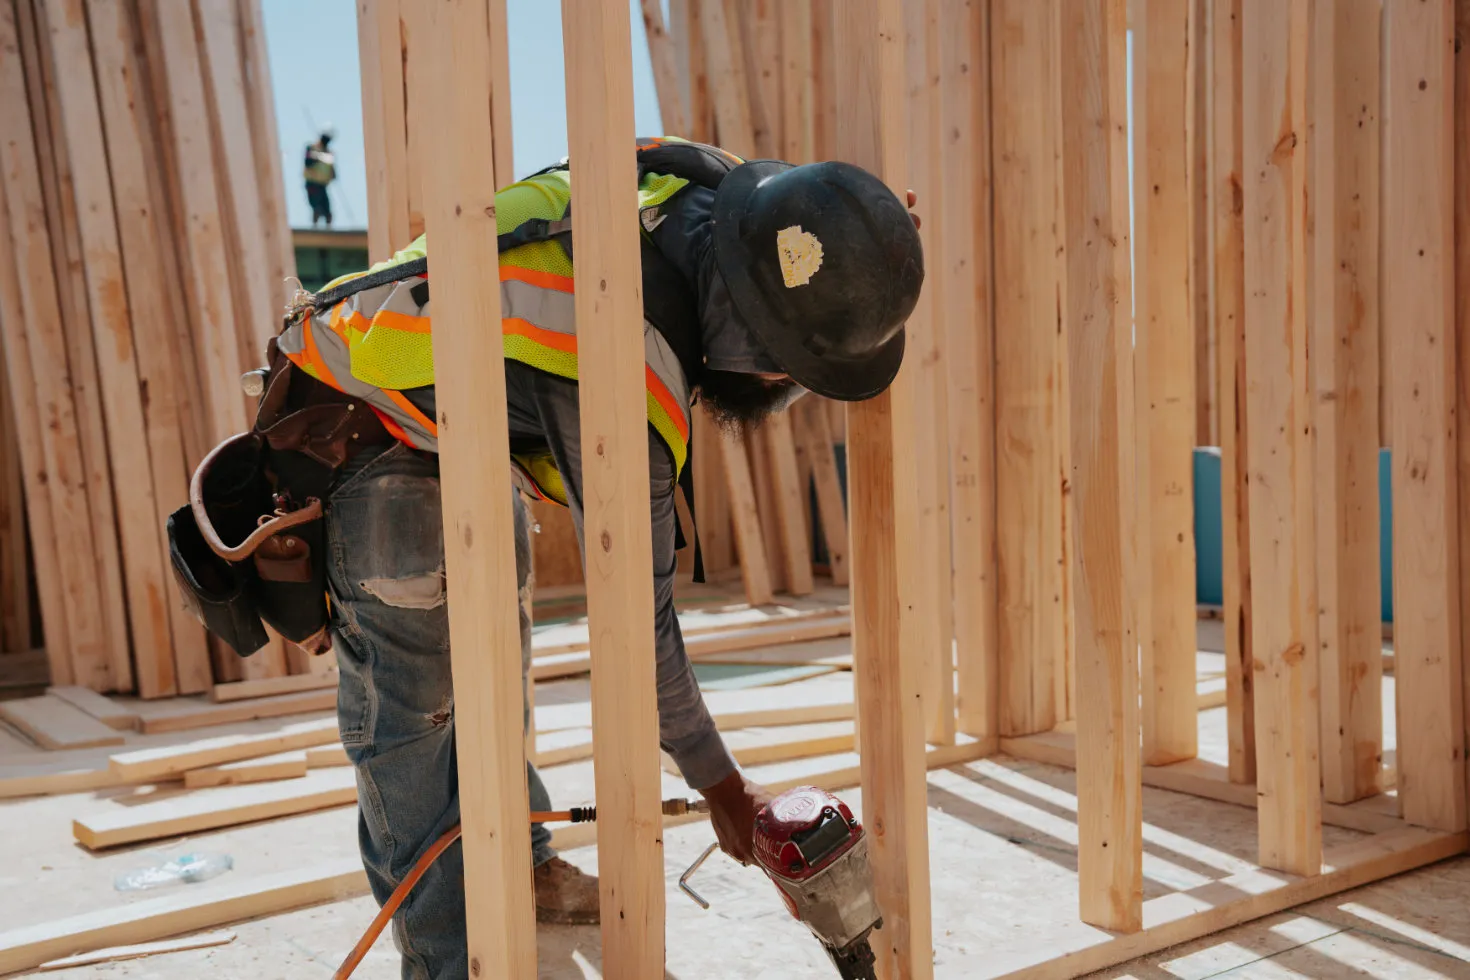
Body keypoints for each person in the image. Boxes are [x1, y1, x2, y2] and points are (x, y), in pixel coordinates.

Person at [272, 138, 923, 978]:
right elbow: (635, 630)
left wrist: (864, 258)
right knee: (417, 719)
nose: (777, 386)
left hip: (452, 429)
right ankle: (444, 964)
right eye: (781, 365)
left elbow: (802, 254)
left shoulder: (714, 198)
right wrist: (726, 788)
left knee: (494, 676)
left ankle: (526, 868)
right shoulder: (625, 364)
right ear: (746, 327)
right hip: (359, 417)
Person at [304, 127, 337, 227]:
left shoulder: (328, 153)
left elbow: (332, 168)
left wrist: (333, 174)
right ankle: (315, 228)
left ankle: (329, 231)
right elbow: (308, 162)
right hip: (312, 183)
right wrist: (320, 156)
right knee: (317, 208)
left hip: (322, 185)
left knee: (327, 212)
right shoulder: (312, 148)